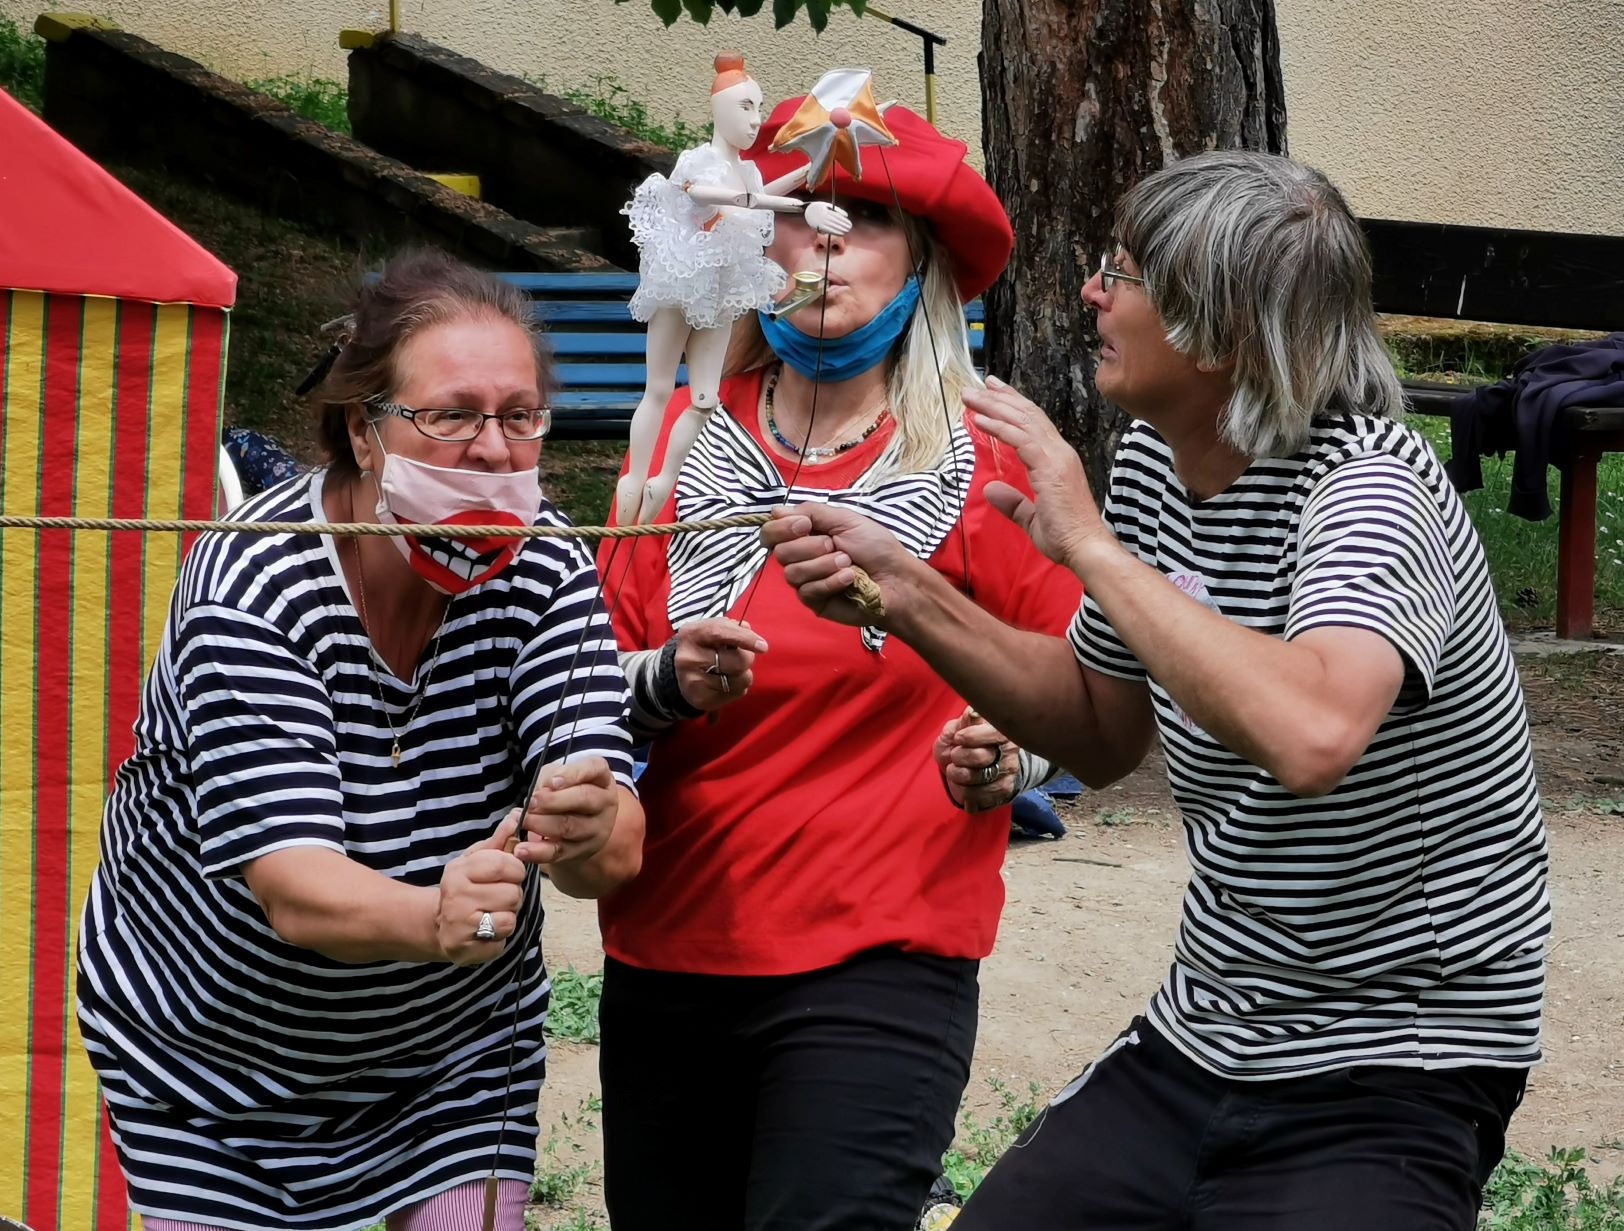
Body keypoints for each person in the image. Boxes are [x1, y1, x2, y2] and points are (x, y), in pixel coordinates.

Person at [765, 149, 1552, 1231]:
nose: (1091, 290)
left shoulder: (1369, 490)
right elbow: (1099, 727)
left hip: (1400, 1057)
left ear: (1221, 330)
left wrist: (1086, 544)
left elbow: (1314, 731)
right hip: (1207, 1026)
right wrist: (901, 590)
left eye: (1121, 272)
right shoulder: (1153, 464)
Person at [75, 249, 644, 1231]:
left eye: (519, 416)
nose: (494, 448)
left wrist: (592, 824)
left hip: (455, 1055)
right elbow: (295, 888)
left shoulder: (545, 561)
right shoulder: (255, 585)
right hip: (209, 1060)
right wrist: (435, 918)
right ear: (364, 432)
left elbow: (616, 846)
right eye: (452, 415)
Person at [594, 100, 1082, 1231]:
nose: (822, 240)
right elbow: (588, 687)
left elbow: (1074, 688)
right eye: (807, 212)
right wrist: (666, 679)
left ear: (925, 265)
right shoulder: (674, 443)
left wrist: (1015, 756)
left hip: (881, 956)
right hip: (668, 943)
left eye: (865, 218)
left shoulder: (985, 454)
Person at [618, 50, 850, 524]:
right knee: (659, 388)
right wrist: (799, 211)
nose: (754, 120)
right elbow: (709, 197)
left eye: (758, 108)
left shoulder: (748, 173)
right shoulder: (698, 161)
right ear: (718, 109)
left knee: (704, 399)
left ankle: (665, 480)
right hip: (683, 283)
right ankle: (634, 479)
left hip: (720, 292)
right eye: (745, 107)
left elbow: (758, 196)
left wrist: (810, 170)